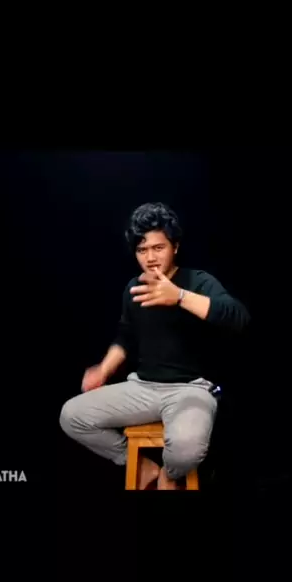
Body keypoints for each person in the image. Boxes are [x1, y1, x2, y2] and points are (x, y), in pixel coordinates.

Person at [60, 202, 250, 490]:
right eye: (142, 250)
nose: (150, 258)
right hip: (143, 387)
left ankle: (169, 476)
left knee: (187, 450)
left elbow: (238, 317)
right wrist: (104, 369)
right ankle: (141, 466)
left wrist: (180, 297)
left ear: (175, 247)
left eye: (158, 248)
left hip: (191, 389)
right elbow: (126, 335)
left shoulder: (198, 281)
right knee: (72, 416)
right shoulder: (134, 288)